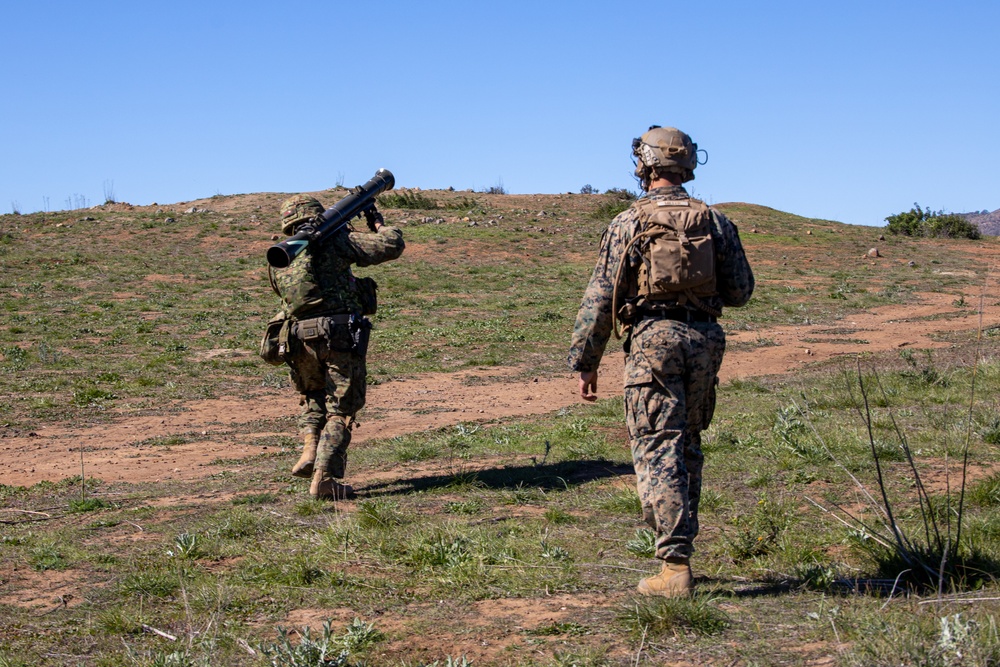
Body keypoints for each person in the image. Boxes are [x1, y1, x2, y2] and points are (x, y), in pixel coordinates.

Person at [568, 126, 754, 597]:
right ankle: (682, 556)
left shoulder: (629, 222)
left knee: (657, 447)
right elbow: (741, 292)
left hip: (653, 343)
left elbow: (601, 298)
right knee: (688, 444)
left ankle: (674, 568)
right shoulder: (714, 221)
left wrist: (586, 361)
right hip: (705, 342)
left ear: (645, 166)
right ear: (688, 164)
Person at [269, 194, 404, 500]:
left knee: (314, 398)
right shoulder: (332, 241)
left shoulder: (281, 256)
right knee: (341, 408)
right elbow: (391, 246)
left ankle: (310, 449)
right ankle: (325, 479)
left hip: (299, 338)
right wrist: (379, 224)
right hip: (338, 334)